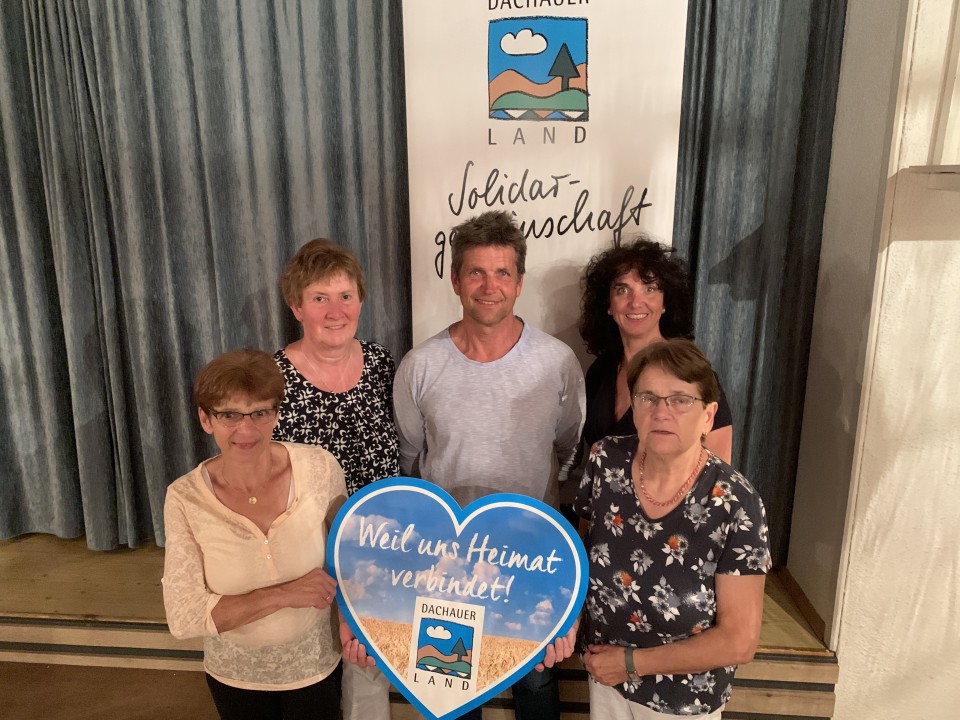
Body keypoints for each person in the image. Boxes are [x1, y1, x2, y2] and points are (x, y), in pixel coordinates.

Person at [393, 210, 585, 720]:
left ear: (519, 283)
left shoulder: (557, 362)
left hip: (533, 557)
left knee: (536, 683)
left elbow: (568, 447)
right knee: (451, 688)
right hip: (447, 565)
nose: (489, 286)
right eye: (476, 272)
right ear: (456, 280)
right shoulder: (420, 366)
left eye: (502, 273)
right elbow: (410, 459)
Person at [576, 339, 770, 719]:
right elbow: (581, 557)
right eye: (648, 398)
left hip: (681, 701)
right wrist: (568, 624)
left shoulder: (736, 503)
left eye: (680, 400)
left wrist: (630, 663)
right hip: (603, 676)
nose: (661, 412)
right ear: (634, 408)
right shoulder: (605, 461)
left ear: (709, 416)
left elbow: (739, 640)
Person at [162, 349, 347, 720]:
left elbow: (348, 558)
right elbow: (184, 616)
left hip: (316, 667)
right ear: (205, 419)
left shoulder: (319, 468)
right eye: (229, 415)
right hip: (236, 677)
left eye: (259, 413)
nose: (246, 430)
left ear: (276, 414)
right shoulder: (184, 498)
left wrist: (354, 628)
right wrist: (284, 594)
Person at [272, 238, 398, 720]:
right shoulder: (274, 378)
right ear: (296, 306)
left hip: (379, 548)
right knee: (319, 678)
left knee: (368, 669)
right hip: (308, 556)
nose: (335, 311)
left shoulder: (382, 364)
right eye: (320, 298)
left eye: (346, 296)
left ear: (361, 301)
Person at [578, 238, 734, 463]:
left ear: (664, 303)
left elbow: (718, 469)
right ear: (608, 305)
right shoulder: (599, 372)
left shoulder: (690, 373)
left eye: (649, 289)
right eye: (622, 290)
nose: (636, 302)